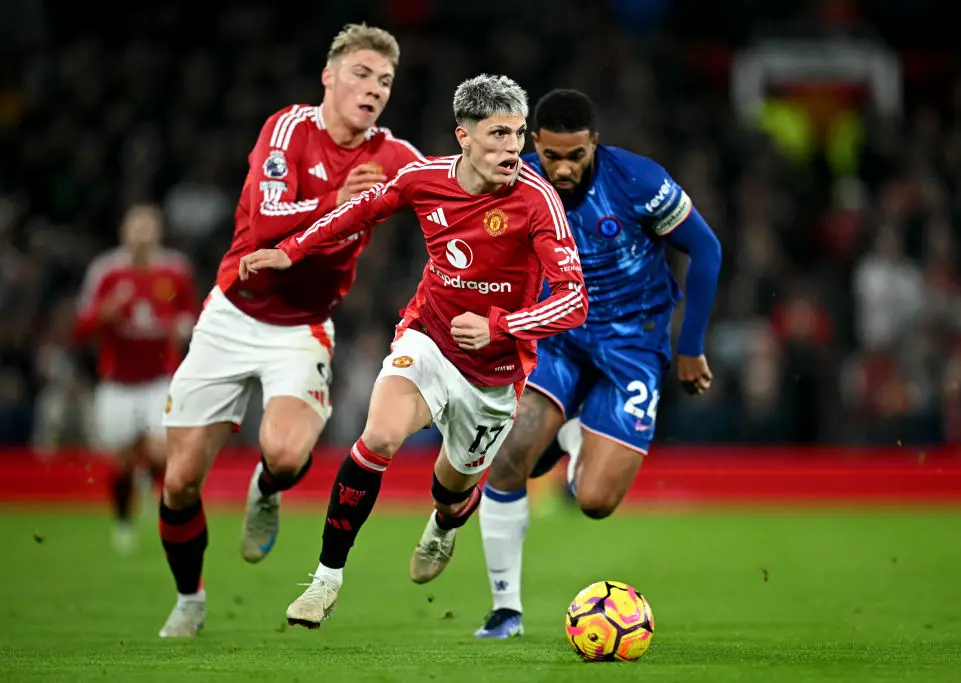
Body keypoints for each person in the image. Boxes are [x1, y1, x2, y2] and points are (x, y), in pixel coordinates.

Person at [238, 73, 589, 630]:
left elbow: (573, 300)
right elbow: (359, 211)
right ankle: (326, 579)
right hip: (428, 339)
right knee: (378, 436)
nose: (512, 148)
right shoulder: (424, 179)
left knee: (451, 491)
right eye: (498, 134)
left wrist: (501, 326)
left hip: (494, 374)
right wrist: (291, 250)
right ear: (464, 136)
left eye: (519, 134)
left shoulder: (537, 200)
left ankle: (444, 524)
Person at [157, 24, 423, 638]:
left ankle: (267, 488)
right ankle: (190, 599)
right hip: (232, 315)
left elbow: (447, 188)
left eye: (385, 81)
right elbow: (266, 225)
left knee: (284, 453)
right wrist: (339, 197)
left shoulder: (393, 157)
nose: (374, 89)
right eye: (361, 74)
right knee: (180, 481)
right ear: (328, 77)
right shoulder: (288, 130)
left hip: (302, 326)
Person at [473, 89, 722, 638]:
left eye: (576, 156)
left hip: (633, 345)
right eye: (551, 155)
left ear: (594, 144)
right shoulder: (511, 181)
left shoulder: (640, 182)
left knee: (595, 502)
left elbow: (706, 249)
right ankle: (505, 610)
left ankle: (571, 433)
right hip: (557, 337)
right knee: (509, 456)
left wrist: (690, 347)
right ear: (534, 144)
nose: (563, 169)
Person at [75, 203, 197, 553]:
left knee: (160, 451)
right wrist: (104, 314)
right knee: (122, 460)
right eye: (136, 227)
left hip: (160, 378)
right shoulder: (106, 272)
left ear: (158, 232)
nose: (142, 234)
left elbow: (192, 313)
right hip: (117, 381)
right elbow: (81, 326)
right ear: (124, 232)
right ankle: (124, 521)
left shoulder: (175, 270)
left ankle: (164, 513)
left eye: (148, 227)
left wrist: (182, 328)